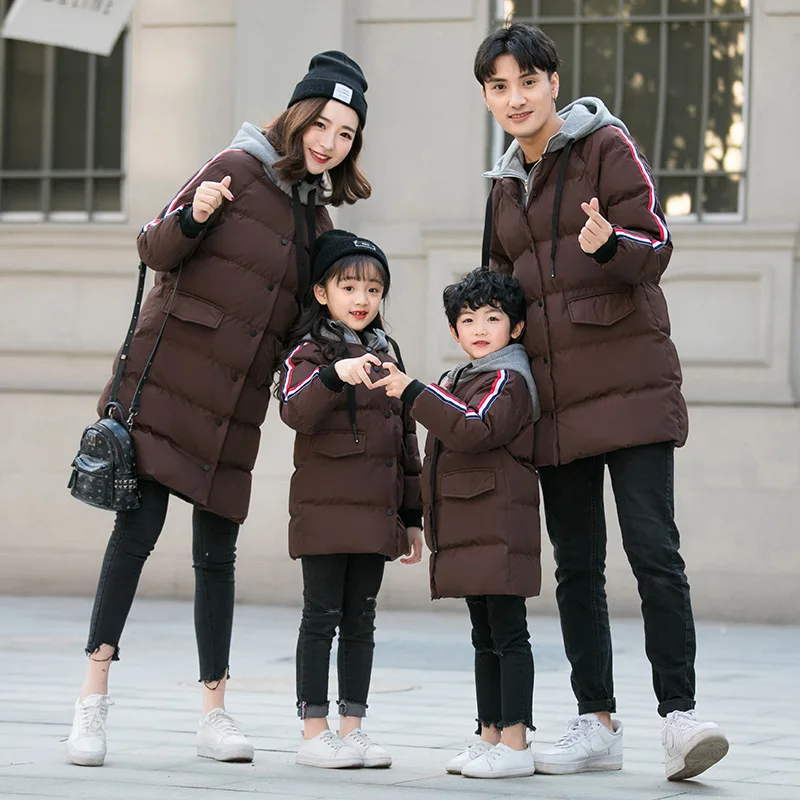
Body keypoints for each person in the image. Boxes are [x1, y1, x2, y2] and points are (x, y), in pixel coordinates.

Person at [67, 51, 372, 768]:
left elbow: (310, 323)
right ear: (297, 117)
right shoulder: (233, 165)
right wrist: (197, 216)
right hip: (165, 388)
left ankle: (214, 712)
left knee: (216, 558)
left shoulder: (315, 224)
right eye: (321, 122)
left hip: (233, 409)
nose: (329, 141)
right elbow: (154, 245)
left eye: (347, 133)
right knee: (135, 536)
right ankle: (91, 700)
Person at [473, 22, 729, 781]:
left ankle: (680, 718)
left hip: (631, 387)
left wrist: (606, 243)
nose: (515, 98)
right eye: (498, 86)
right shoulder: (501, 186)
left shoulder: (605, 148)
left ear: (554, 81)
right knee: (576, 565)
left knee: (654, 551)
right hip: (554, 399)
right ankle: (597, 722)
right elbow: (498, 294)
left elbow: (655, 249)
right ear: (487, 96)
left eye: (527, 81)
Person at [377, 267, 541, 780]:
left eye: (492, 318)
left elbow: (475, 429)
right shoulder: (459, 379)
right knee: (483, 634)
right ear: (454, 330)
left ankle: (515, 743)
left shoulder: (509, 380)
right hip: (469, 529)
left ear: (514, 328)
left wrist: (414, 392)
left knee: (509, 635)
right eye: (467, 319)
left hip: (499, 527)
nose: (478, 328)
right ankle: (488, 734)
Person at [277, 229, 424, 770]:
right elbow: (294, 409)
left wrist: (412, 517)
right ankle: (314, 732)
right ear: (323, 293)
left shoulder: (389, 353)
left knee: (362, 620)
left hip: (376, 514)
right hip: (324, 514)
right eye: (349, 287)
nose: (362, 300)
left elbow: (408, 440)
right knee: (321, 617)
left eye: (374, 290)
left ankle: (352, 728)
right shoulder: (308, 351)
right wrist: (334, 375)